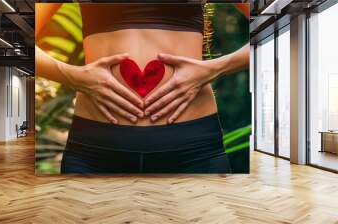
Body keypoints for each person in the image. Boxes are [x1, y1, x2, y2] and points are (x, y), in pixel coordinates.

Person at [36, 2, 250, 173]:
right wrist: (73, 76)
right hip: (94, 150)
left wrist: (215, 68)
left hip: (194, 150)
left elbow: (280, 17)